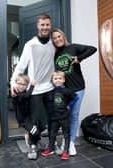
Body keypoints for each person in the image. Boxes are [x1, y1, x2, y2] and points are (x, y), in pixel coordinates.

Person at [10, 13, 55, 160]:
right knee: (35, 121)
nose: (45, 27)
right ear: (38, 26)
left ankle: (49, 143)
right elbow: (21, 66)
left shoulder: (53, 43)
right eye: (42, 24)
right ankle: (33, 145)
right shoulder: (30, 45)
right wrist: (12, 83)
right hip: (35, 90)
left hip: (51, 88)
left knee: (48, 120)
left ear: (50, 25)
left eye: (47, 24)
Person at [51, 28, 97, 156]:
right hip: (63, 90)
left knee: (74, 115)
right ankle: (63, 141)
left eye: (59, 36)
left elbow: (93, 49)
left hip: (78, 88)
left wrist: (79, 58)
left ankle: (70, 142)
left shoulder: (73, 47)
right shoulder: (54, 54)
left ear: (63, 37)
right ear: (53, 41)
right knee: (63, 116)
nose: (57, 39)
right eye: (54, 38)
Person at [41, 71, 77, 160]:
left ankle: (66, 151)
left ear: (63, 80)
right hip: (54, 117)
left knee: (66, 134)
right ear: (52, 80)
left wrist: (69, 105)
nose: (57, 80)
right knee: (52, 133)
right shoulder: (51, 91)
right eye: (55, 79)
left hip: (64, 116)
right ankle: (50, 148)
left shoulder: (67, 90)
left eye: (60, 78)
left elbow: (76, 97)